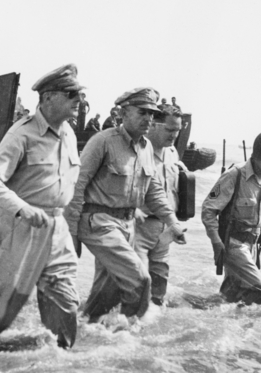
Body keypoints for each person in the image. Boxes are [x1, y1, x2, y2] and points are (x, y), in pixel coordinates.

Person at [0, 64, 84, 349]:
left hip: (56, 229)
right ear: (47, 98)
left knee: (66, 302)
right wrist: (22, 208)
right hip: (20, 227)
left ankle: (61, 363)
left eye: (78, 95)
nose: (77, 101)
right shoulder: (22, 134)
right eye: (71, 94)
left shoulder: (68, 133)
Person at [65, 88, 186, 323]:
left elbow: (153, 191)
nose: (149, 118)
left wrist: (173, 222)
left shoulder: (146, 147)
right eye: (142, 112)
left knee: (107, 294)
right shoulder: (102, 141)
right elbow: (76, 186)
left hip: (127, 226)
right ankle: (128, 336)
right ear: (122, 113)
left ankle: (82, 332)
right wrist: (71, 232)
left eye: (152, 113)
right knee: (140, 280)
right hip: (99, 223)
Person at [202, 130, 261, 305]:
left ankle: (201, 313)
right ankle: (236, 323)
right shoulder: (235, 175)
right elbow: (208, 209)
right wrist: (215, 241)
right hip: (233, 244)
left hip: (250, 244)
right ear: (257, 157)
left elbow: (260, 208)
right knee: (259, 289)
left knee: (231, 296)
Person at [134, 104, 186, 306]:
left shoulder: (172, 152)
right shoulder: (137, 151)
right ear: (154, 125)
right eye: (169, 129)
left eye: (177, 130)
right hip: (140, 227)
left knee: (159, 285)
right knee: (135, 283)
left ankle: (151, 327)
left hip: (164, 230)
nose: (174, 135)